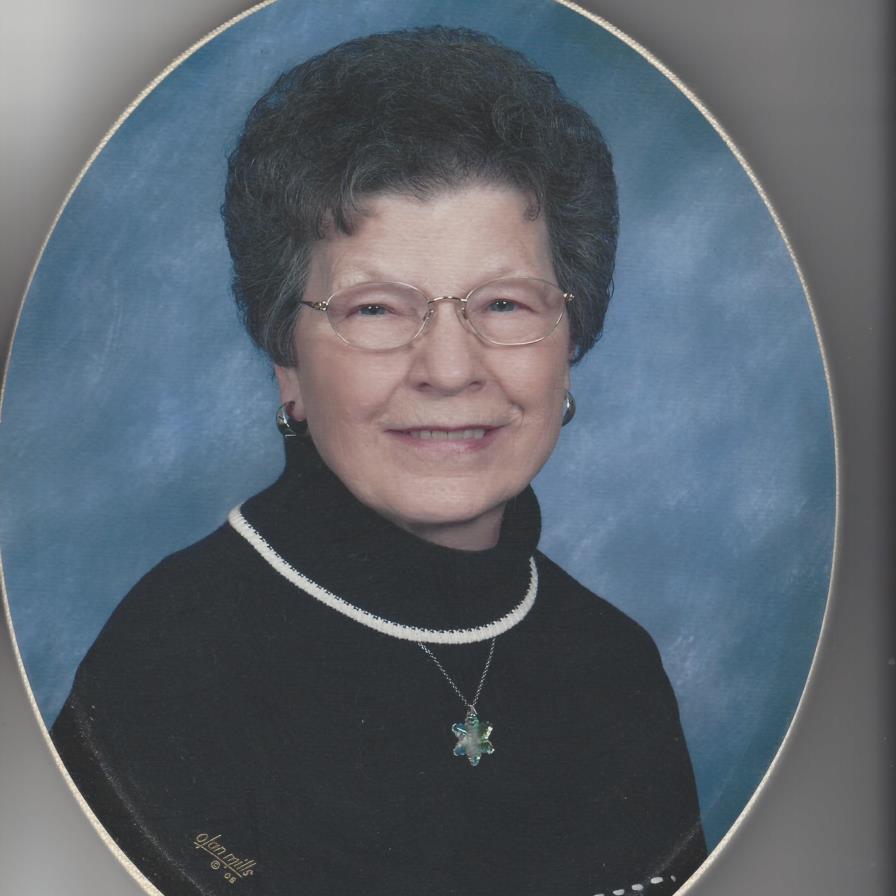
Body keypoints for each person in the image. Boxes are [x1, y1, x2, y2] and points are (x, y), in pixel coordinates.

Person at [51, 27, 706, 896]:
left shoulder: (615, 665)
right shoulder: (171, 660)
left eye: (505, 304)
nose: (450, 369)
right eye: (375, 310)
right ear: (287, 360)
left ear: (569, 341)